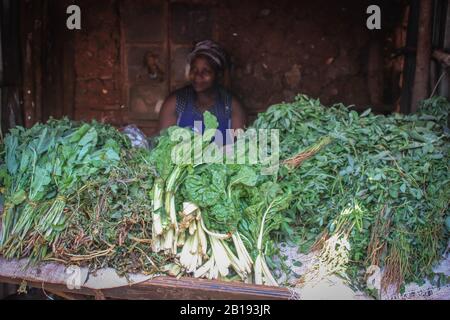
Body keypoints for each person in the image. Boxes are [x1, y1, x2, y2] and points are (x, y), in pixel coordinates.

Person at [158, 40, 246, 145]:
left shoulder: (231, 107)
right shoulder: (176, 103)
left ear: (218, 75)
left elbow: (239, 151)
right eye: (194, 70)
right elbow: (162, 146)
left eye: (206, 71)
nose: (198, 76)